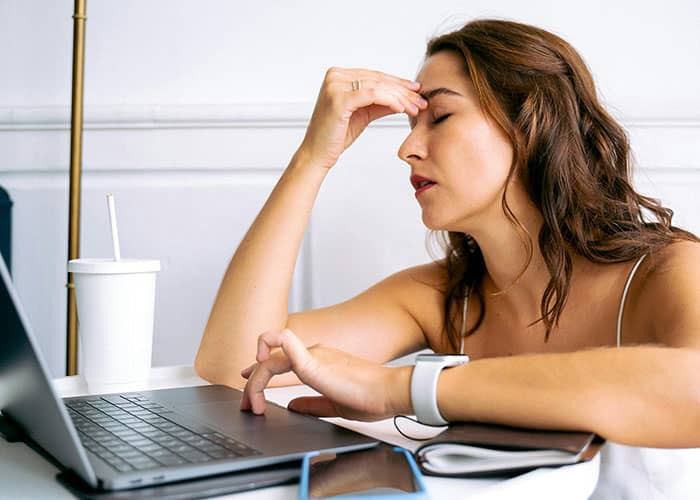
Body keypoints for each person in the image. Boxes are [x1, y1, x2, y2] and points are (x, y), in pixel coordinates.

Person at [195, 19, 700, 498]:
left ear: (531, 125)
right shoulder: (441, 297)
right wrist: (313, 157)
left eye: (440, 117)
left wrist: (397, 387)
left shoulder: (668, 269)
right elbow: (233, 364)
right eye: (411, 124)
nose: (407, 149)